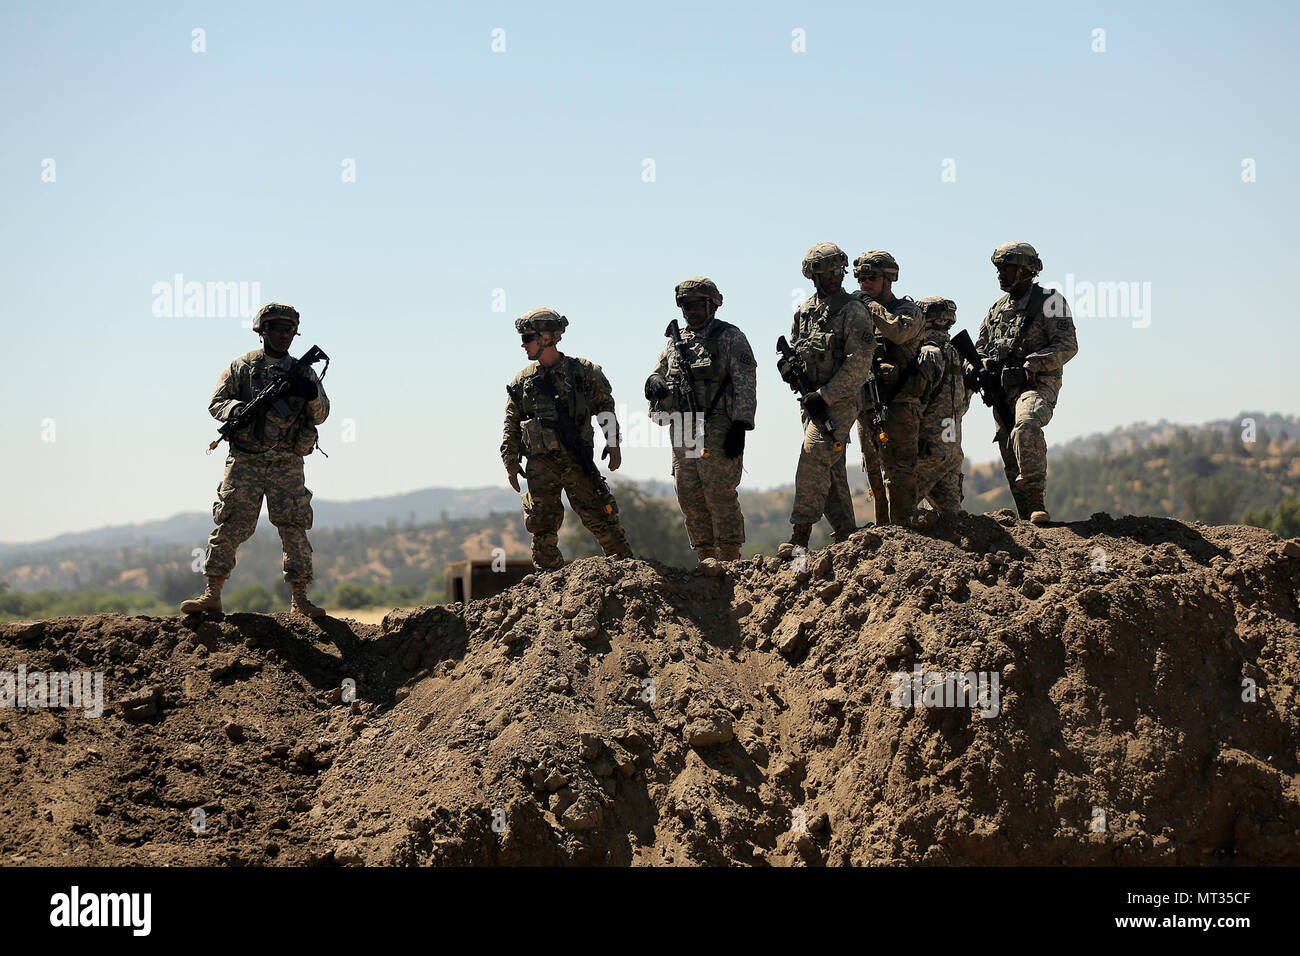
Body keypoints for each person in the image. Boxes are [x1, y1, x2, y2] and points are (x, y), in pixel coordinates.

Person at [182, 302, 330, 618]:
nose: (283, 334)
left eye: (289, 329)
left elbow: (321, 415)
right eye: (277, 327)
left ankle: (300, 599)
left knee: (294, 526)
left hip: (287, 462)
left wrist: (311, 394)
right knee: (232, 522)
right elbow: (216, 403)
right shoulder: (241, 367)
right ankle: (212, 594)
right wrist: (239, 411)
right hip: (246, 461)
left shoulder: (304, 371)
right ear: (262, 330)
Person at [501, 308, 633, 569]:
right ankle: (549, 583)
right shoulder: (522, 381)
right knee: (541, 527)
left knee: (602, 519)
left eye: (528, 337)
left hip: (576, 460)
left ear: (547, 338)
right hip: (539, 465)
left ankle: (628, 575)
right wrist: (510, 461)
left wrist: (613, 442)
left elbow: (605, 408)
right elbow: (511, 423)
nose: (523, 344)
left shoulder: (584, 373)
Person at [645, 277, 757, 563]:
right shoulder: (674, 343)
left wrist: (741, 425)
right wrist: (655, 382)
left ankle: (730, 557)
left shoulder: (730, 337)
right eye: (684, 305)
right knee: (690, 495)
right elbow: (658, 374)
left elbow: (745, 381)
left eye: (695, 304)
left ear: (712, 305)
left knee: (719, 493)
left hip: (718, 426)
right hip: (683, 428)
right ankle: (706, 558)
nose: (689, 311)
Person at [777, 243, 874, 559]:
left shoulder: (853, 311)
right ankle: (848, 537)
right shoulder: (804, 313)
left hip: (841, 401)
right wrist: (788, 369)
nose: (832, 277)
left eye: (837, 270)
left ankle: (800, 536)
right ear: (812, 275)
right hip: (811, 404)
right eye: (824, 271)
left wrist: (826, 396)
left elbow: (859, 362)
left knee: (814, 454)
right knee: (830, 473)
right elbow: (795, 351)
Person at [975, 242, 1079, 524]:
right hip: (1001, 391)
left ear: (1026, 270)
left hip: (1035, 385)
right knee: (1010, 452)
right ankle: (1028, 521)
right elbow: (979, 347)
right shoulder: (996, 310)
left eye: (1006, 268)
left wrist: (1033, 363)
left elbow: (1067, 346)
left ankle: (1036, 502)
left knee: (1027, 423)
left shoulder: (1049, 301)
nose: (1000, 274)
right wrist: (981, 363)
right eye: (998, 268)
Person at [851, 250, 925, 526]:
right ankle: (884, 530)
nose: (864, 284)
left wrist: (868, 305)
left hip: (900, 402)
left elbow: (899, 332)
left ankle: (904, 529)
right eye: (861, 279)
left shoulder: (907, 311)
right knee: (873, 468)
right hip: (868, 402)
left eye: (871, 278)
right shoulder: (859, 314)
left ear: (889, 280)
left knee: (900, 469)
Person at [910, 296, 971, 528]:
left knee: (898, 520)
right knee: (952, 521)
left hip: (925, 452)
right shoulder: (958, 355)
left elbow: (913, 401)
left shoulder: (927, 354)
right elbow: (961, 405)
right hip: (951, 448)